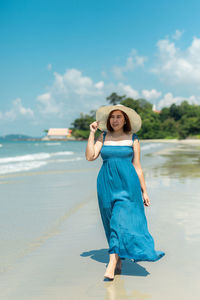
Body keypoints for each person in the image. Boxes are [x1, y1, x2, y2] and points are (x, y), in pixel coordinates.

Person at [85, 104, 165, 281]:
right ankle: (119, 256)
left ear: (125, 119)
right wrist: (91, 133)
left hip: (129, 186)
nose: (115, 120)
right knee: (110, 221)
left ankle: (112, 262)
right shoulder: (103, 136)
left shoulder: (133, 138)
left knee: (119, 221)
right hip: (106, 184)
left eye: (119, 117)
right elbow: (90, 157)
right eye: (112, 117)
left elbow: (137, 167)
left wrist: (144, 191)